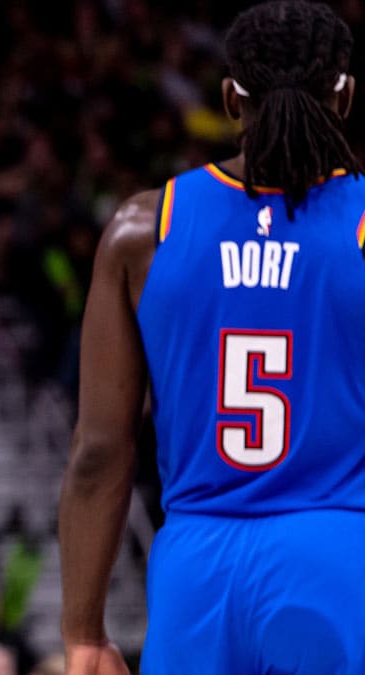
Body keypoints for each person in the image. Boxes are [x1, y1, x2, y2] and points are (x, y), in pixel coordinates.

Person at [58, 3, 365, 674]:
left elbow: (100, 450)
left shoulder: (146, 227)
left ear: (231, 99)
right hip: (340, 559)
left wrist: (84, 631)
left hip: (195, 574)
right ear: (345, 96)